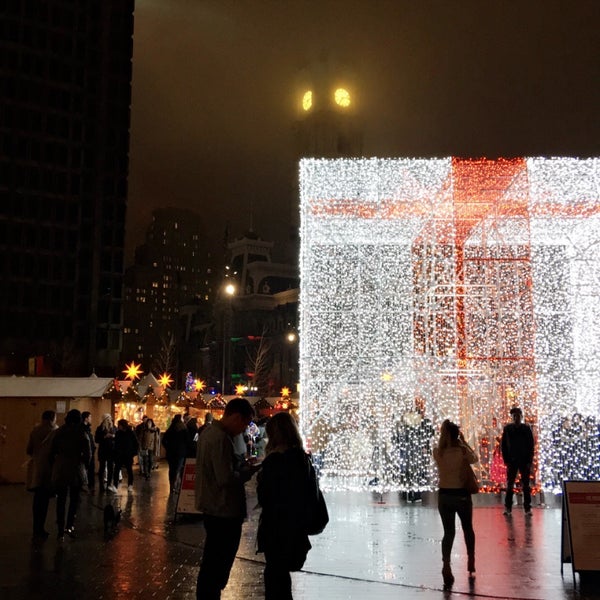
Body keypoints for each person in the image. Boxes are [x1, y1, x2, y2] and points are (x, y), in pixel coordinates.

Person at [195, 398, 258, 599]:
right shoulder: (221, 438)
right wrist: (248, 471)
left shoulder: (207, 434)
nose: (243, 430)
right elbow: (225, 478)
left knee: (212, 562)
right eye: (244, 423)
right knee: (218, 563)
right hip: (223, 509)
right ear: (236, 417)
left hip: (212, 507)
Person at [256, 412, 313, 600]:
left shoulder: (275, 460)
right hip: (296, 527)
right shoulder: (302, 459)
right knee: (281, 577)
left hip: (276, 527)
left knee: (274, 577)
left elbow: (265, 496)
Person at [433, 419, 478, 588]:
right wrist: (465, 443)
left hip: (444, 495)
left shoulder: (438, 452)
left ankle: (446, 564)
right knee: (467, 528)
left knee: (448, 532)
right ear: (457, 435)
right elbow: (475, 458)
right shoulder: (462, 451)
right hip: (461, 495)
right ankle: (471, 558)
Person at [50, 409, 91, 541]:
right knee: (74, 500)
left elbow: (52, 451)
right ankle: (69, 526)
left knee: (61, 501)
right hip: (76, 470)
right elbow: (88, 454)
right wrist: (84, 464)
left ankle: (60, 530)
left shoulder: (59, 432)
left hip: (61, 469)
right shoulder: (81, 433)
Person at [25, 410, 58, 540]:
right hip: (49, 469)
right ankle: (41, 528)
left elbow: (29, 449)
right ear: (52, 418)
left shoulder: (35, 431)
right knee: (44, 501)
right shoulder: (55, 431)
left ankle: (36, 528)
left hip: (37, 469)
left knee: (37, 500)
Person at [501, 406, 535, 516]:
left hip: (524, 460)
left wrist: (529, 460)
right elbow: (504, 446)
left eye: (518, 416)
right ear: (512, 417)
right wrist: (506, 459)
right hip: (512, 460)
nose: (516, 418)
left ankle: (527, 508)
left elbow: (531, 446)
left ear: (521, 416)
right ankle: (508, 507)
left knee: (525, 485)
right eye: (514, 416)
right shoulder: (508, 429)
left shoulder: (526, 429)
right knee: (510, 484)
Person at [162, 414, 188, 494]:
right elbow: (188, 441)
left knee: (171, 469)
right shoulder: (184, 429)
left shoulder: (171, 429)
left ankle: (171, 486)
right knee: (178, 469)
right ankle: (176, 486)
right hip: (180, 453)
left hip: (171, 453)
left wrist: (168, 447)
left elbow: (164, 440)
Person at [113, 419, 138, 492]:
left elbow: (136, 443)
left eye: (119, 425)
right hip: (119, 455)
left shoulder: (131, 433)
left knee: (129, 470)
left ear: (123, 425)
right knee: (116, 470)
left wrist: (133, 453)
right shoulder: (118, 433)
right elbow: (116, 444)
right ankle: (115, 485)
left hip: (128, 455)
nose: (118, 426)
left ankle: (130, 484)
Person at [95, 414, 117, 493]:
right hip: (103, 450)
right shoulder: (100, 428)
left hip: (111, 450)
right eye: (108, 419)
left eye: (110, 419)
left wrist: (113, 436)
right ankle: (101, 485)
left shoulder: (114, 428)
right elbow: (96, 439)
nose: (110, 420)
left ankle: (109, 485)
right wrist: (104, 437)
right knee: (102, 467)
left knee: (110, 468)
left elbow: (117, 437)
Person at [81, 411, 96, 492]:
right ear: (86, 418)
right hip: (86, 453)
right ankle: (87, 485)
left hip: (90, 452)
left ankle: (90, 485)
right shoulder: (83, 429)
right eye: (90, 417)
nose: (91, 419)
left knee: (90, 470)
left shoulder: (88, 428)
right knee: (87, 469)